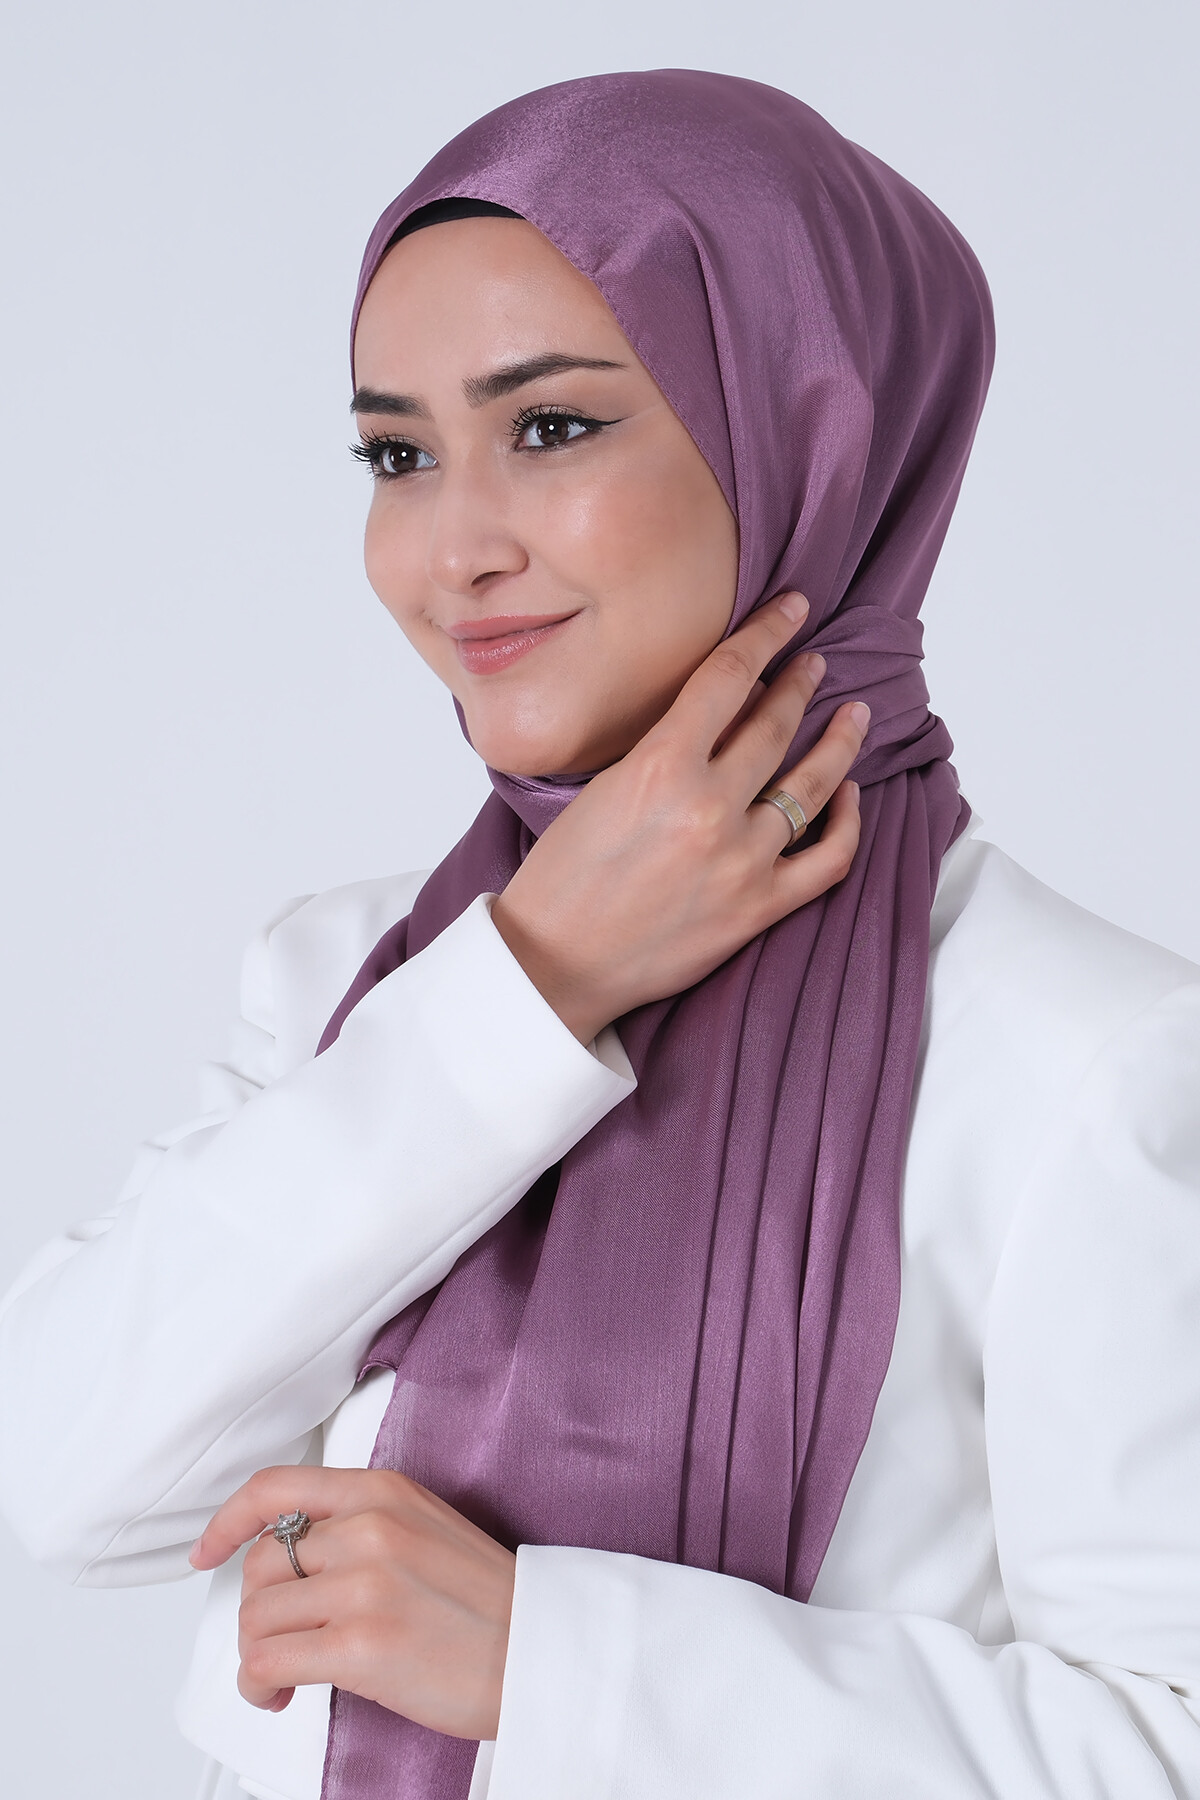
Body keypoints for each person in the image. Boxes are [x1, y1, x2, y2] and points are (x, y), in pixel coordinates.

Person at [2, 67, 1199, 1800]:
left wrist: (541, 1662)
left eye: (551, 428)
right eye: (398, 455)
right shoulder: (355, 982)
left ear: (811, 429)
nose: (451, 550)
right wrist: (531, 985)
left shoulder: (1084, 1056)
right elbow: (65, 1483)